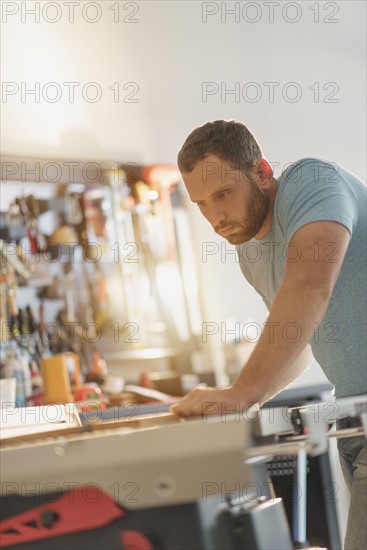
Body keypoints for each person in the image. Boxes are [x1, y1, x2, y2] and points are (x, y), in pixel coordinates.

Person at [171, 120, 367, 550]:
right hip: (356, 427)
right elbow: (301, 337)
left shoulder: (312, 181)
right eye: (202, 204)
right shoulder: (251, 253)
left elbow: (310, 286)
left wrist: (241, 392)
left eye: (223, 195)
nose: (215, 217)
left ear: (261, 172)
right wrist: (245, 399)